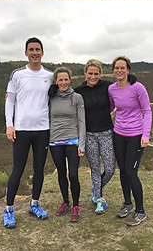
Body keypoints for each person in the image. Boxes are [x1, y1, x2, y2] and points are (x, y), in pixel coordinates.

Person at [74, 59, 136, 214]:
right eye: (90, 73)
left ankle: (96, 190)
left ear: (100, 73)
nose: (93, 76)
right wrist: (54, 89)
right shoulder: (78, 91)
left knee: (109, 169)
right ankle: (100, 200)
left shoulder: (108, 86)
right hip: (89, 135)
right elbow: (64, 93)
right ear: (85, 73)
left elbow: (122, 87)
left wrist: (132, 79)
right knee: (95, 169)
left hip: (107, 133)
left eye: (96, 73)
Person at [3, 37, 52, 229]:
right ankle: (8, 209)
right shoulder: (17, 74)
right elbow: (10, 100)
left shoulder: (49, 75)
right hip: (21, 130)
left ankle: (35, 204)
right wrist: (9, 124)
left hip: (42, 130)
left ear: (42, 52)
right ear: (25, 53)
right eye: (31, 49)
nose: (34, 52)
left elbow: (64, 90)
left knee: (39, 169)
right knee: (18, 169)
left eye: (37, 49)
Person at [109, 56, 152, 226]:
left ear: (128, 70)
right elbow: (111, 107)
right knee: (122, 170)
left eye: (122, 68)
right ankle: (127, 203)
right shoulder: (112, 89)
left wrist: (145, 134)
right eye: (116, 68)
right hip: (118, 134)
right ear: (113, 70)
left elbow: (147, 110)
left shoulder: (138, 87)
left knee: (131, 173)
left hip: (135, 136)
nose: (119, 71)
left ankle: (140, 211)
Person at [49, 67, 86, 223]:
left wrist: (82, 144)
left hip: (72, 140)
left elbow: (82, 121)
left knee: (73, 174)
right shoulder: (50, 97)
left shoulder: (77, 97)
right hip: (55, 141)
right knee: (61, 173)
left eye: (66, 79)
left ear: (70, 80)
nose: (63, 82)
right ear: (56, 81)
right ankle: (66, 202)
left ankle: (76, 206)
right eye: (60, 80)